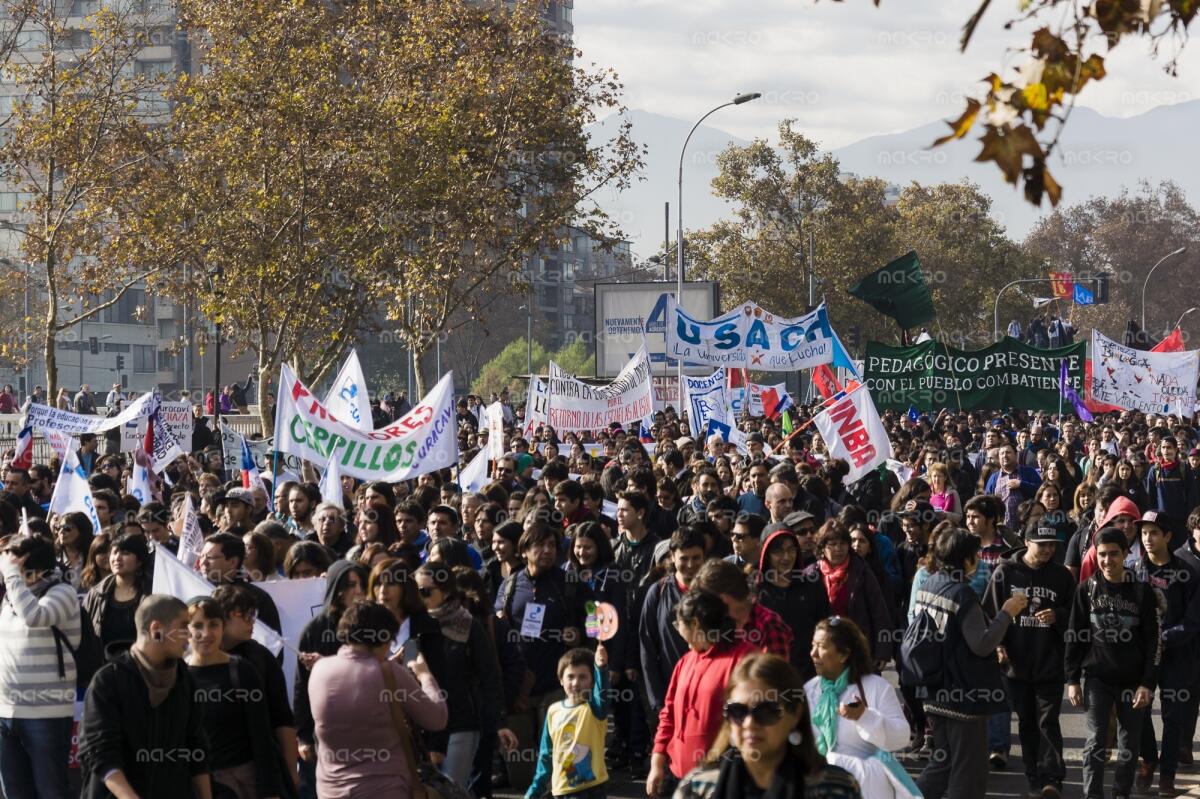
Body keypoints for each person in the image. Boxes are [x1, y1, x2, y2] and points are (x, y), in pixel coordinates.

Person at [911, 528, 1027, 799]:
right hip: (963, 696)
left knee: (942, 762)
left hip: (933, 688)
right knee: (969, 771)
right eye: (975, 554)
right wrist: (1006, 613)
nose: (980, 560)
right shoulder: (962, 594)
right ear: (965, 560)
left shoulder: (929, 584)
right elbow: (982, 643)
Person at [672, 653, 862, 799]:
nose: (749, 723)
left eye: (766, 711)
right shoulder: (698, 788)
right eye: (738, 711)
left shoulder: (834, 788)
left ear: (795, 715)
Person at [308, 600, 448, 797]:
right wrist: (425, 675)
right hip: (384, 788)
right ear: (383, 639)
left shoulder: (319, 669)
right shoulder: (388, 673)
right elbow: (437, 718)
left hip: (330, 790)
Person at [77, 595, 212, 799]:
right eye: (184, 626)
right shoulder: (108, 682)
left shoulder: (186, 680)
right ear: (156, 629)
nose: (190, 635)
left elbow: (196, 747)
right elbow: (100, 755)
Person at [1065, 527, 1161, 799]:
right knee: (1096, 740)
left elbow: (1155, 643)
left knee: (1129, 743)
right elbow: (1074, 635)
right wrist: (1072, 679)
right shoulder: (1086, 589)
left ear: (1125, 554)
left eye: (1114, 554)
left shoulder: (1142, 592)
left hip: (1133, 682)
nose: (1108, 561)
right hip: (1098, 679)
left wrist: (1147, 684)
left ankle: (1121, 794)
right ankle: (1092, 795)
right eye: (1102, 555)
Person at [983, 520, 1075, 798]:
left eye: (1052, 545)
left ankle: (1052, 779)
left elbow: (1076, 614)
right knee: (1026, 722)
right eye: (1042, 544)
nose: (1047, 550)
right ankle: (1034, 774)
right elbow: (989, 613)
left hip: (1050, 661)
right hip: (1016, 664)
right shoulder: (1004, 573)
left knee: (1048, 721)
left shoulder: (1062, 576)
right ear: (1027, 542)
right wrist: (997, 645)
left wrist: (1057, 615)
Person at [646, 589, 755, 797]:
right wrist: (657, 762)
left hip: (722, 781)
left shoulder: (743, 659)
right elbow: (668, 714)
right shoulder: (685, 661)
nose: (677, 630)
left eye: (679, 625)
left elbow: (753, 720)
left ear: (695, 624)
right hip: (677, 777)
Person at [414, 562, 510, 788]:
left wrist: (499, 722)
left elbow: (489, 676)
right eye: (415, 592)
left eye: (426, 592)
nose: (419, 598)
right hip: (422, 724)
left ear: (446, 592)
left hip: (461, 722)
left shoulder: (468, 625)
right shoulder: (411, 626)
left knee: (451, 789)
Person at [185, 596, 291, 799]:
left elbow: (261, 736)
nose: (206, 633)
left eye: (213, 625)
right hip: (203, 786)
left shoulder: (242, 671)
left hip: (246, 784)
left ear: (222, 628)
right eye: (197, 626)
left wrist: (270, 791)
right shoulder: (179, 676)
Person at [0, 534, 81, 799]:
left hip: (46, 711)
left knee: (51, 791)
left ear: (39, 571)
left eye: (17, 569)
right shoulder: (12, 597)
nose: (10, 575)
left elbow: (36, 616)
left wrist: (12, 577)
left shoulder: (62, 592)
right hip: (6, 711)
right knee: (15, 792)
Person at [805, 617, 916, 798]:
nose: (813, 653)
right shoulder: (810, 690)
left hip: (865, 788)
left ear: (844, 654)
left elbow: (901, 737)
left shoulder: (876, 687)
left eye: (822, 646)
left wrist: (865, 717)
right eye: (813, 645)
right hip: (821, 789)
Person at [1132, 511, 1200, 796]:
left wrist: (1163, 639)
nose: (1148, 538)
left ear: (1168, 537)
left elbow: (1192, 621)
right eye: (1144, 532)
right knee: (1139, 712)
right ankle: (1149, 758)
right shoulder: (1135, 570)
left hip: (1176, 655)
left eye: (1154, 533)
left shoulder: (1187, 572)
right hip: (1142, 656)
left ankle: (1167, 775)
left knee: (1173, 717)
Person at [212, 584, 299, 796]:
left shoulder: (260, 658)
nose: (253, 621)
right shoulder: (192, 663)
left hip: (258, 771)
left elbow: (282, 718)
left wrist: (290, 771)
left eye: (254, 614)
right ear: (222, 616)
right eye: (246, 615)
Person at [294, 560, 367, 799]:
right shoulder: (314, 630)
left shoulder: (370, 625)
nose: (356, 591)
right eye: (349, 585)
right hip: (323, 734)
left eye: (360, 585)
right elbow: (301, 687)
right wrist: (303, 736)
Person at [526, 644, 611, 799]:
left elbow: (603, 696)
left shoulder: (594, 709)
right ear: (560, 680)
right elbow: (546, 754)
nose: (576, 683)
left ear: (593, 681)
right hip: (561, 791)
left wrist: (601, 669)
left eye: (583, 677)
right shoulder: (553, 711)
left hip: (591, 790)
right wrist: (534, 790)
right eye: (570, 677)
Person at [757, 523, 830, 679]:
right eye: (778, 551)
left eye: (791, 549)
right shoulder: (756, 591)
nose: (786, 557)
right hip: (769, 677)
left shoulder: (812, 584)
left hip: (810, 676)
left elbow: (826, 626)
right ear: (766, 554)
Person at [82, 532, 151, 657]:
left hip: (141, 667)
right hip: (104, 667)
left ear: (139, 561)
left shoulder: (151, 594)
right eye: (114, 552)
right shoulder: (96, 594)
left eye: (125, 553)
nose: (117, 558)